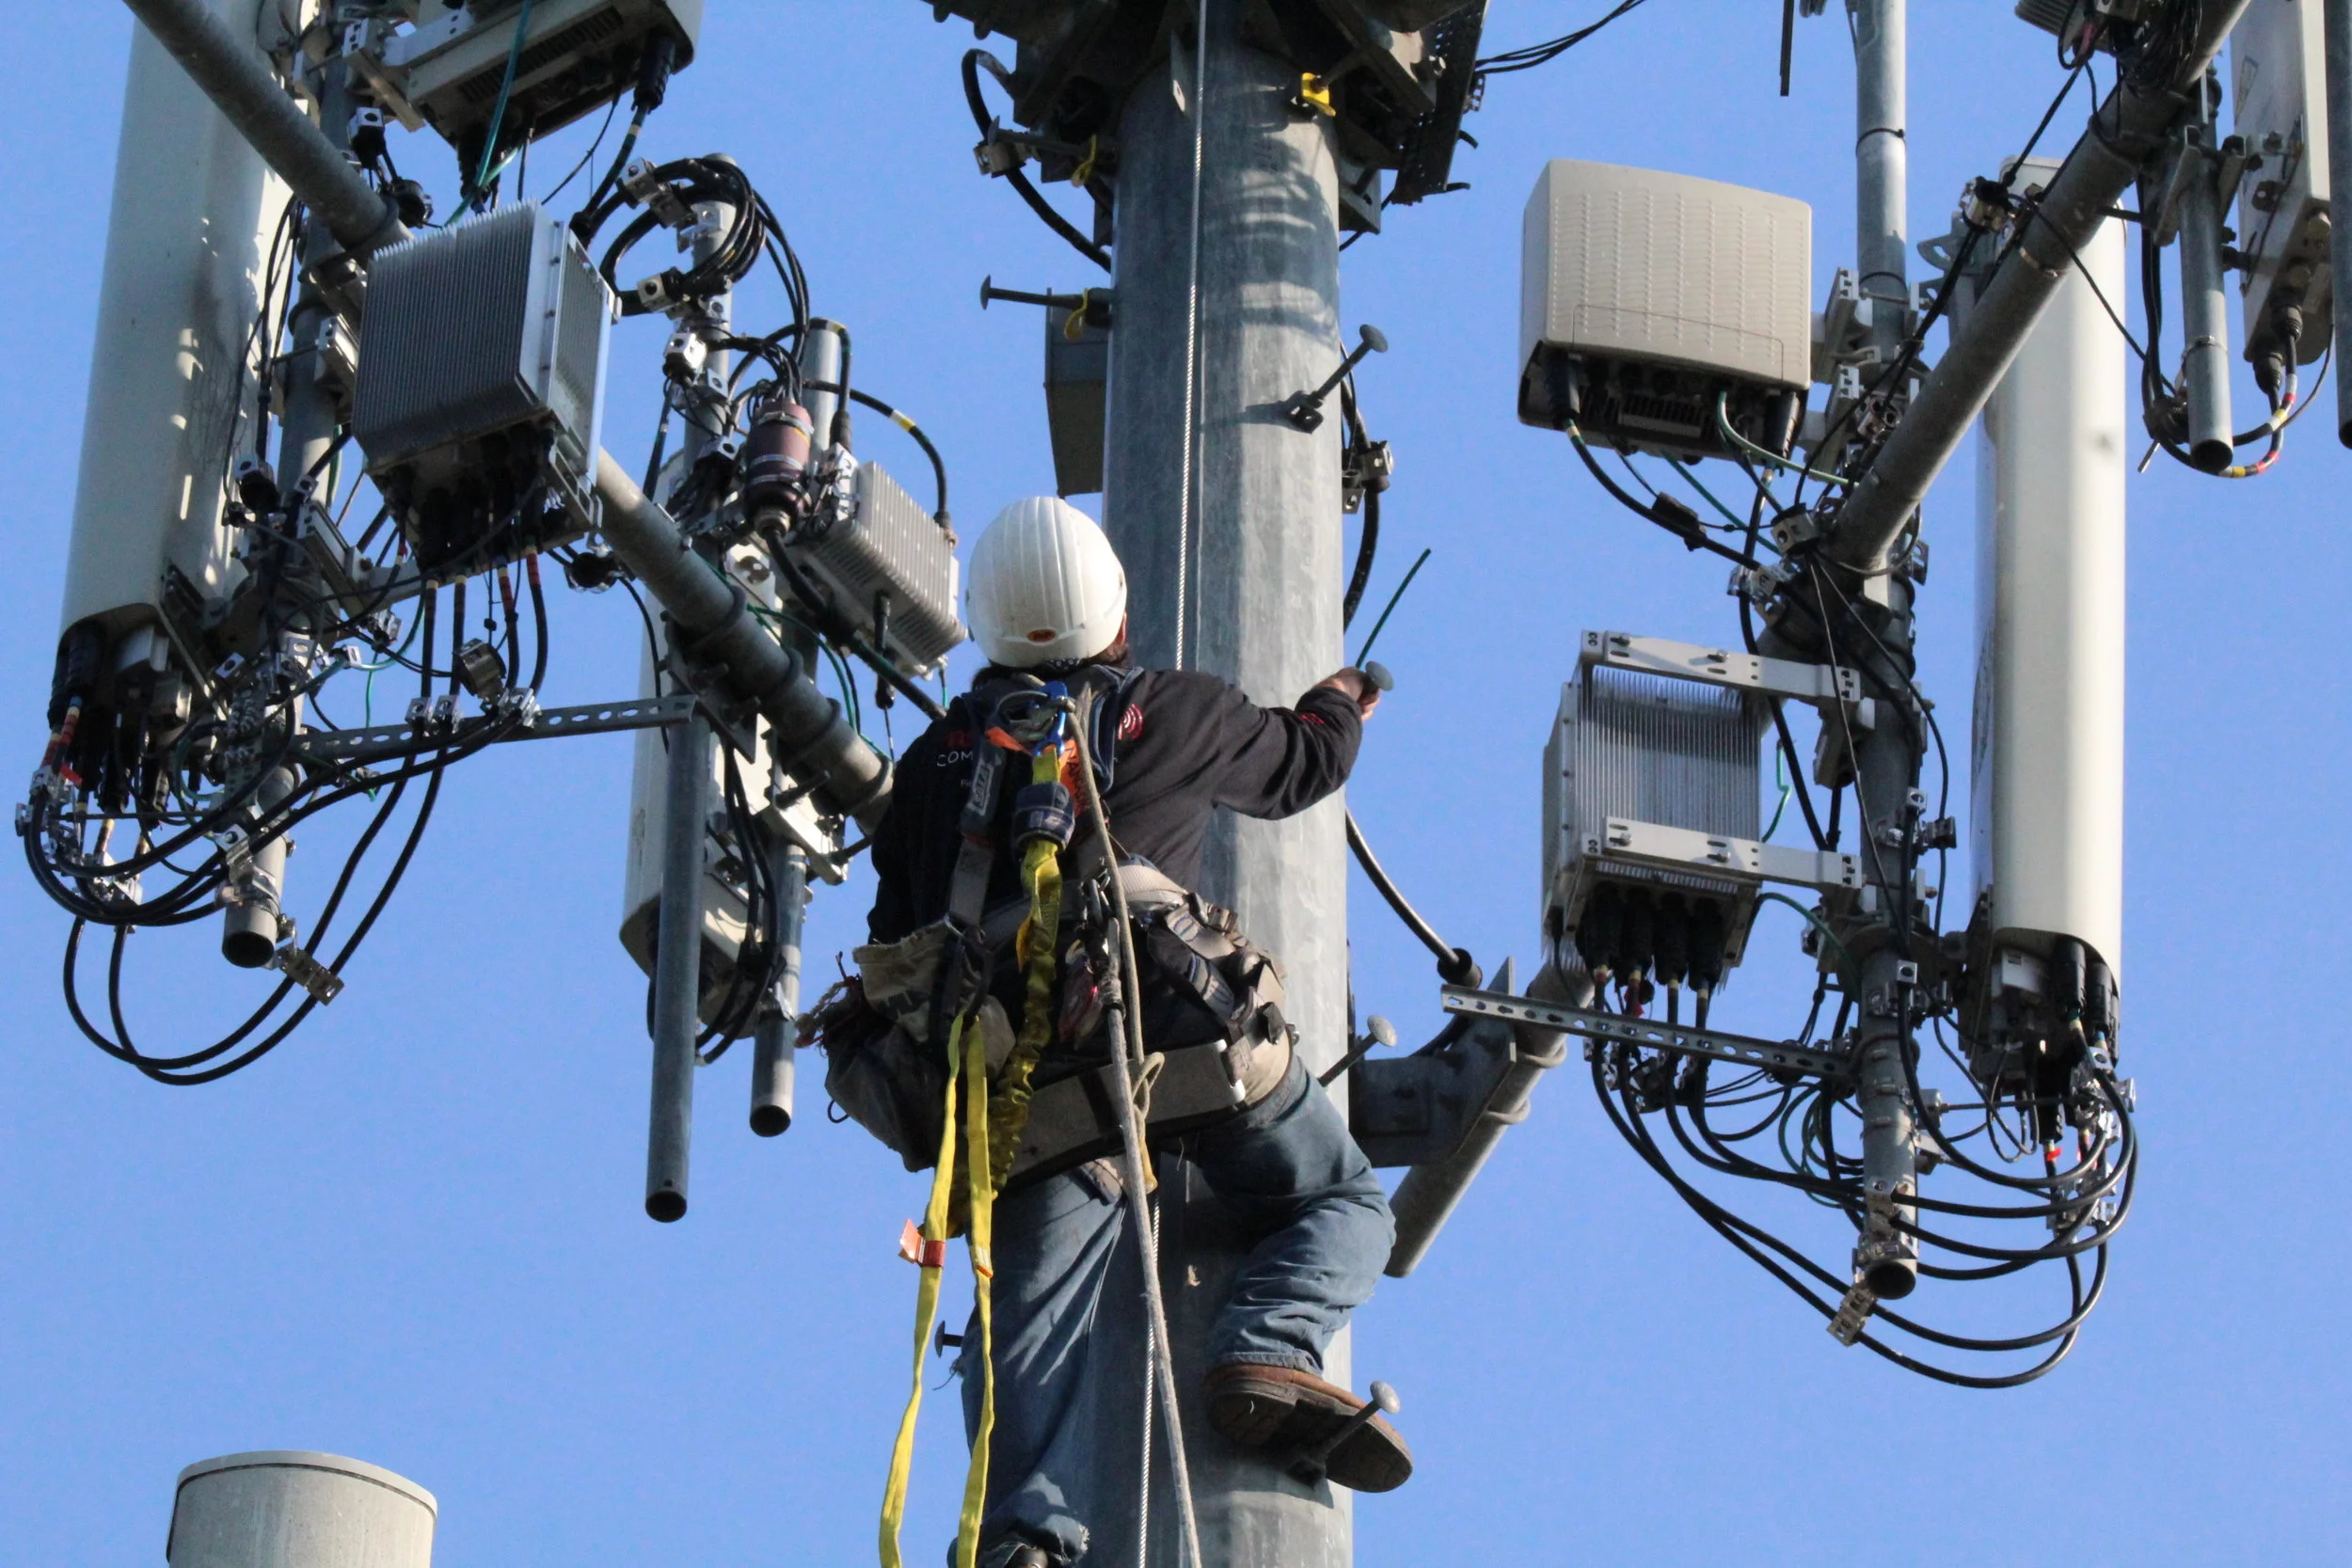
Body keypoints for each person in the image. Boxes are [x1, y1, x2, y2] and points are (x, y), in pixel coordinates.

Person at [862, 498, 1406, 1568]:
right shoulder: (1175, 710)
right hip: (1189, 1053)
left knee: (1024, 1335)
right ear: (1116, 618)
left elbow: (897, 943)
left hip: (1023, 1101)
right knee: (1346, 1201)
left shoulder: (929, 770)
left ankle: (1027, 1539)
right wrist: (1344, 700)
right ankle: (1262, 1345)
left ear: (982, 625)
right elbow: (1302, 764)